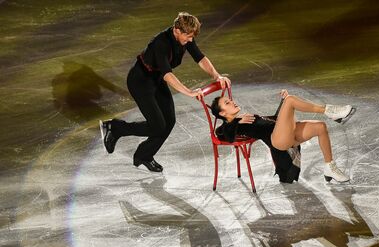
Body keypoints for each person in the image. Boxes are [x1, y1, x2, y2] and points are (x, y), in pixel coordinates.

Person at [99, 12, 231, 172]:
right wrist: (189, 92)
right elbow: (168, 74)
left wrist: (217, 76)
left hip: (156, 80)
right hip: (140, 81)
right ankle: (116, 127)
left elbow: (200, 58)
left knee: (168, 122)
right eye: (187, 37)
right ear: (177, 30)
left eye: (191, 37)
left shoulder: (185, 37)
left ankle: (144, 155)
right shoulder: (160, 43)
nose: (190, 40)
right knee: (157, 126)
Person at [212, 89, 355, 183]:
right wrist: (236, 122)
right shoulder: (233, 126)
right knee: (291, 100)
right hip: (279, 141)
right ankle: (329, 110)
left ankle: (330, 166)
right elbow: (219, 134)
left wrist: (282, 103)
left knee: (320, 127)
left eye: (229, 100)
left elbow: (275, 119)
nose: (232, 102)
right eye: (227, 103)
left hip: (286, 133)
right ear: (223, 113)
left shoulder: (245, 117)